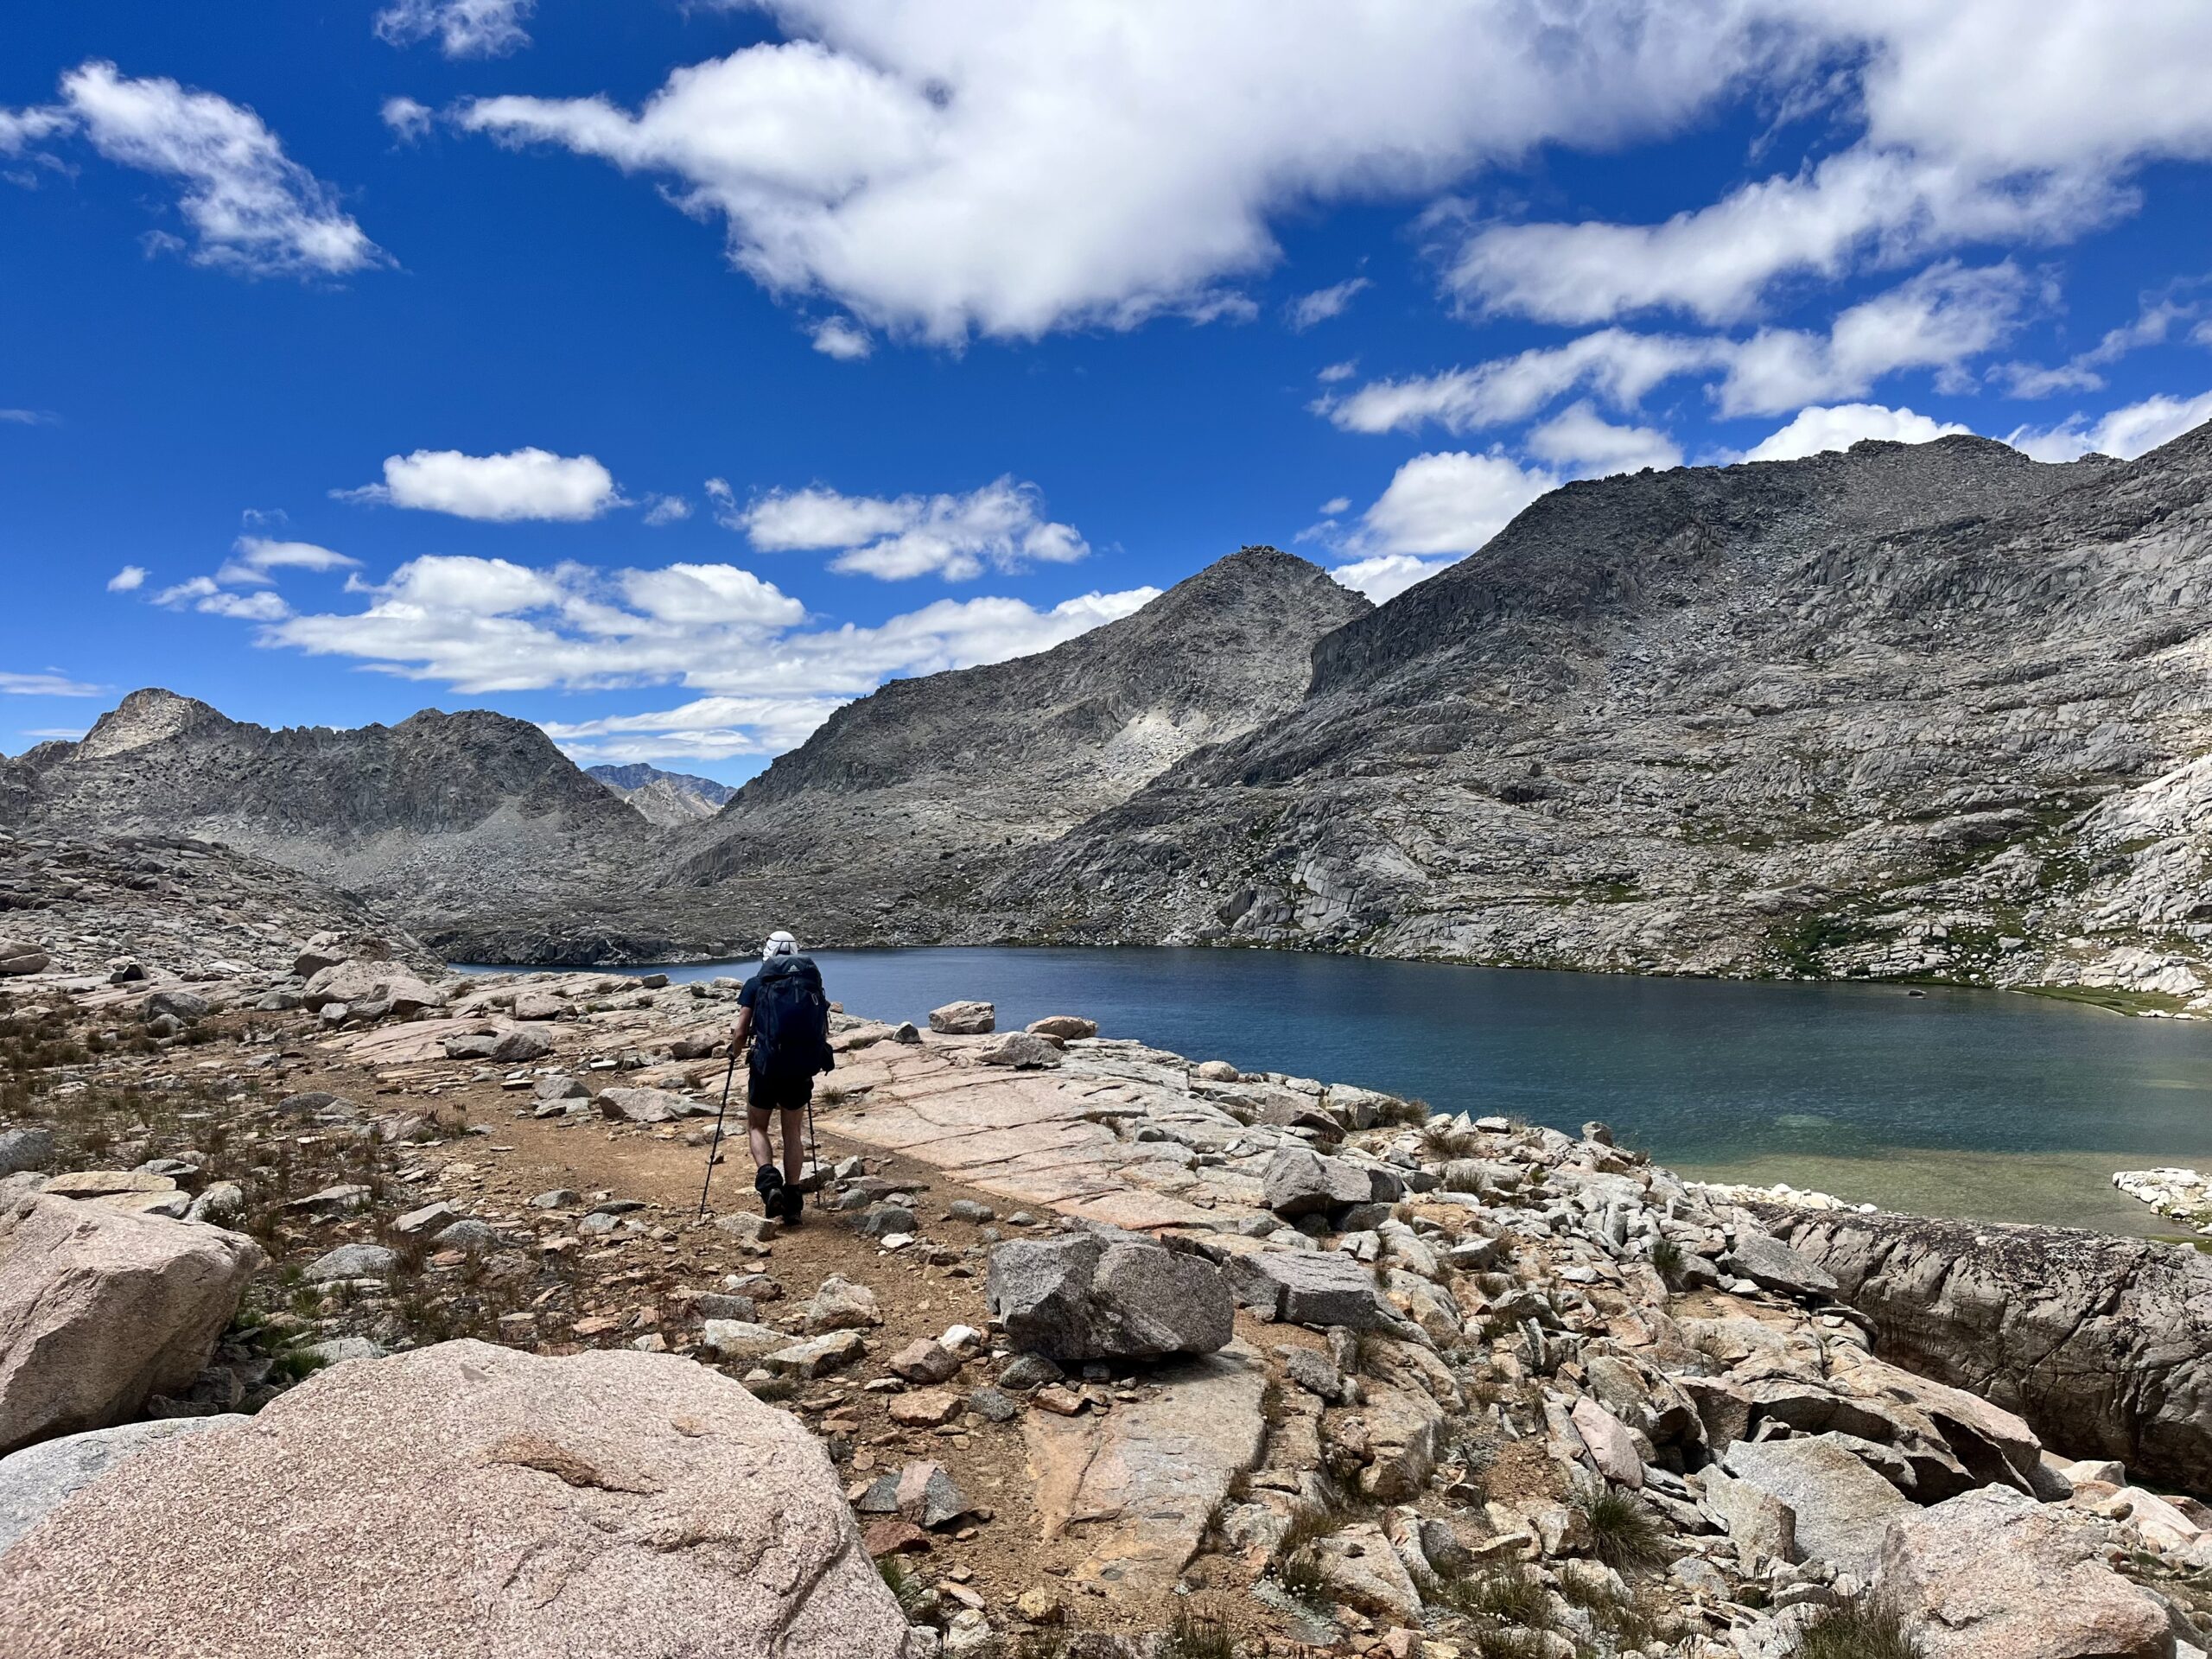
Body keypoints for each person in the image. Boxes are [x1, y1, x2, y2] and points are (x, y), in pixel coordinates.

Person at [729, 930, 834, 1224]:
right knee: (792, 1131)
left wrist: (735, 1051)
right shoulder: (811, 982)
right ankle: (794, 1201)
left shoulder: (756, 983)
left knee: (757, 1126)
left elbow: (740, 1030)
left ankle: (769, 1183)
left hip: (766, 1067)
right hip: (800, 1067)